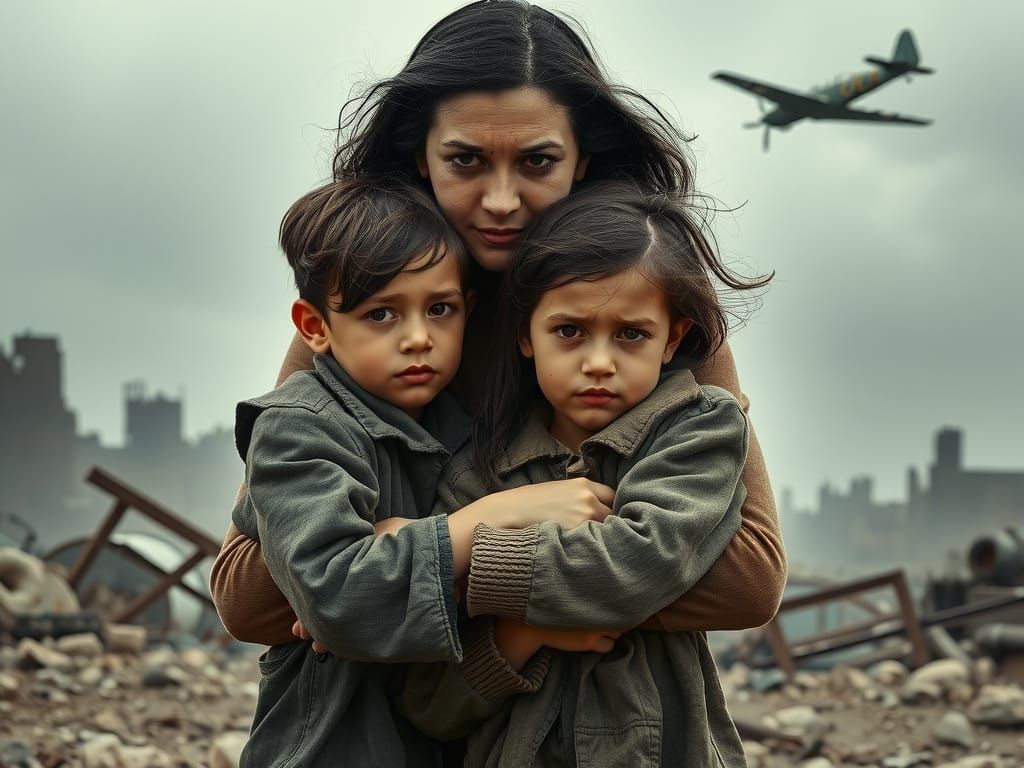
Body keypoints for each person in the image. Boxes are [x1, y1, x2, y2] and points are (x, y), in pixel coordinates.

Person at [212, 0, 784, 669]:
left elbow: (747, 581)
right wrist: (493, 527)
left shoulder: (647, 303)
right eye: (467, 161)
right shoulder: (367, 308)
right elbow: (249, 595)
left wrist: (430, 565)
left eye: (538, 162)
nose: (503, 200)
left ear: (583, 162)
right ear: (419, 157)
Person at [232, 178, 618, 766]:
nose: (418, 338)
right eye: (381, 313)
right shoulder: (299, 428)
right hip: (331, 747)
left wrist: (398, 544)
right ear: (315, 327)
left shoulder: (470, 428)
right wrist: (486, 518)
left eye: (440, 309)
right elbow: (336, 599)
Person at [394, 183, 755, 766]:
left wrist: (464, 565)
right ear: (523, 335)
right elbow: (429, 704)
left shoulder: (698, 432)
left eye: (631, 334)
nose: (598, 362)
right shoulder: (475, 473)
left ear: (674, 339)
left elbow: (635, 566)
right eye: (569, 331)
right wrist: (522, 636)